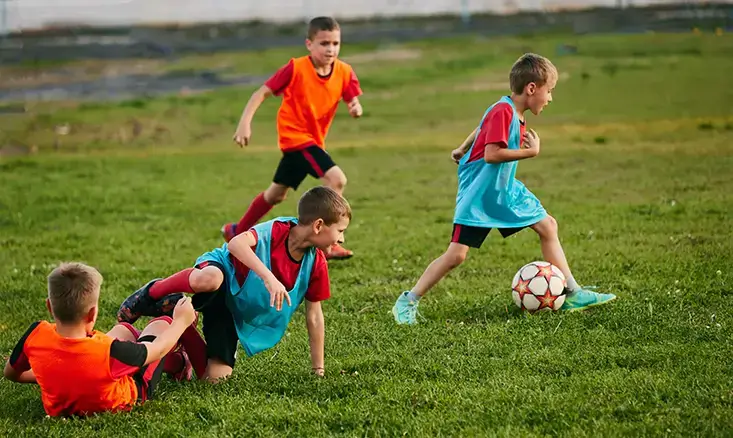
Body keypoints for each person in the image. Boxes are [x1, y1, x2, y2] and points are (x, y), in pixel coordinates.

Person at [392, 53, 617, 325]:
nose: (550, 98)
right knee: (456, 256)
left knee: (548, 226)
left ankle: (572, 292)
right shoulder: (503, 111)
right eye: (549, 91)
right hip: (479, 195)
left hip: (504, 191)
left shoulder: (510, 111)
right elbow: (492, 155)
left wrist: (462, 148)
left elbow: (481, 127)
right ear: (531, 88)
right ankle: (408, 300)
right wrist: (530, 152)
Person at [118, 187, 351, 381]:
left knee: (214, 379)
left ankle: (180, 348)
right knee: (209, 279)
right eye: (340, 231)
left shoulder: (316, 264)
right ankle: (152, 292)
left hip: (232, 310)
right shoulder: (277, 230)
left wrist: (318, 369)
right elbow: (235, 244)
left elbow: (314, 316)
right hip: (222, 274)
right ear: (318, 225)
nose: (342, 239)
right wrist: (269, 278)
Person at [222, 16, 362, 260]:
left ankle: (237, 230)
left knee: (275, 194)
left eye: (335, 43)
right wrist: (244, 123)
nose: (330, 49)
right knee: (336, 179)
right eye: (324, 43)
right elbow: (261, 93)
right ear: (309, 44)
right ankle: (329, 243)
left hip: (312, 142)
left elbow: (351, 97)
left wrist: (354, 106)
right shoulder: (296, 68)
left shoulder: (344, 71)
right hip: (296, 139)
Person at [3, 262, 197, 417]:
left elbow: (11, 374)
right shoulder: (109, 351)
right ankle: (180, 363)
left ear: (49, 307)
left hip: (101, 364)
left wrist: (57, 374)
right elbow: (158, 349)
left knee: (122, 329)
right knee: (160, 326)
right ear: (92, 313)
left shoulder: (36, 335)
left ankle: (164, 353)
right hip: (133, 389)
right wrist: (181, 321)